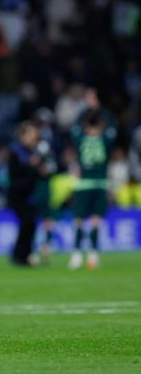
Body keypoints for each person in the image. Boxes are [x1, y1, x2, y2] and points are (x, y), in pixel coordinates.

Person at [68, 102, 116, 270]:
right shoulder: (105, 139)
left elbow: (73, 126)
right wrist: (99, 107)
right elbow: (114, 124)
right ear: (101, 124)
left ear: (85, 125)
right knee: (96, 221)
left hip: (84, 185)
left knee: (79, 221)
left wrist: (86, 108)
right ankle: (93, 255)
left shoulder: (80, 138)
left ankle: (76, 255)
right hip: (100, 185)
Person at [7, 121, 45, 266]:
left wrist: (40, 171)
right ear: (23, 136)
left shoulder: (32, 152)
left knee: (30, 224)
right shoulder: (16, 152)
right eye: (31, 135)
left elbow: (37, 174)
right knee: (27, 222)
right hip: (17, 194)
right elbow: (15, 175)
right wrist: (31, 167)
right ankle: (21, 255)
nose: (34, 138)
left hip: (28, 194)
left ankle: (23, 254)